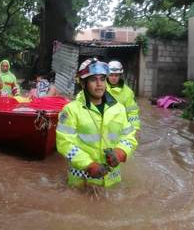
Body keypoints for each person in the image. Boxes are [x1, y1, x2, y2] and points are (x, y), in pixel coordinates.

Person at [56, 58, 137, 188]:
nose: (99, 84)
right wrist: (88, 165)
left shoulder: (119, 109)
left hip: (113, 182)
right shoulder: (71, 110)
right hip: (82, 183)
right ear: (83, 83)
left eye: (102, 79)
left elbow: (129, 137)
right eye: (93, 79)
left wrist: (121, 152)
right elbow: (64, 144)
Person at [106, 60, 141, 133]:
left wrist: (135, 128)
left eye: (116, 75)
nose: (113, 78)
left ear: (120, 75)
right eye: (111, 75)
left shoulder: (128, 92)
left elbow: (132, 112)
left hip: (120, 127)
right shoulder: (100, 88)